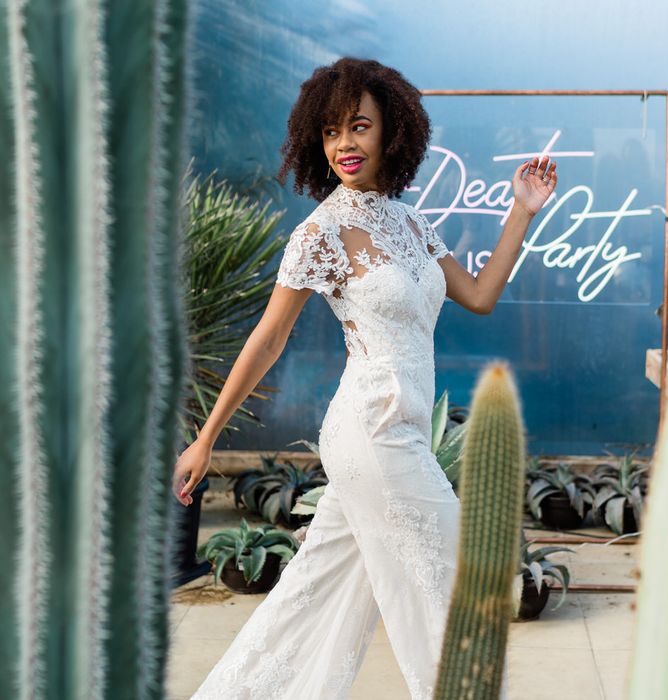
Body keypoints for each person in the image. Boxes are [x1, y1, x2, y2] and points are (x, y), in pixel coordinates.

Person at [173, 56, 557, 700]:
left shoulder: (412, 223)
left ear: (392, 133)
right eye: (330, 132)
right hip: (371, 433)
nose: (344, 145)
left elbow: (483, 294)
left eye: (358, 127)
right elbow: (267, 340)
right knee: (454, 583)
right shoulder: (320, 232)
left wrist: (522, 209)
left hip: (400, 431)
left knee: (311, 595)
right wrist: (206, 438)